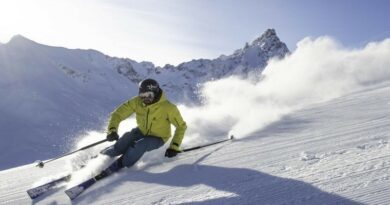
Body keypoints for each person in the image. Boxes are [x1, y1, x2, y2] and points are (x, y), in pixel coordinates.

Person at [101, 78, 187, 168]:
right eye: (142, 95)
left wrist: (174, 146)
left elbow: (181, 126)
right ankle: (103, 157)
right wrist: (112, 130)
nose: (145, 99)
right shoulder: (137, 102)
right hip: (142, 131)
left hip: (158, 137)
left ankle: (122, 164)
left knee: (140, 145)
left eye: (148, 95)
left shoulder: (168, 108)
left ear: (155, 93)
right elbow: (117, 114)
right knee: (126, 138)